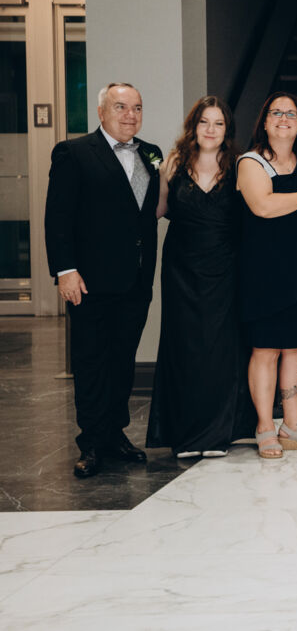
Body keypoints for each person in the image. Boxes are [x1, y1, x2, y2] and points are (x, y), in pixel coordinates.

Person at [45, 83, 162, 479]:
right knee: (92, 362)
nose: (130, 115)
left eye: (137, 108)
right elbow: (58, 216)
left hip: (136, 281)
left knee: (122, 362)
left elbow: (145, 213)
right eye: (121, 106)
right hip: (89, 282)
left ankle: (115, 434)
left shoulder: (151, 153)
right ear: (101, 112)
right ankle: (92, 442)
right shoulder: (74, 152)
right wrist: (65, 270)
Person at [146, 96, 253, 459]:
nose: (211, 129)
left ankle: (218, 432)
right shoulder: (173, 163)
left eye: (218, 123)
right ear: (193, 126)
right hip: (181, 269)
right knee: (185, 345)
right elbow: (158, 210)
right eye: (204, 122)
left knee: (221, 347)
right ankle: (186, 434)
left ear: (227, 130)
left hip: (226, 267)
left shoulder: (239, 165)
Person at [238, 93, 297, 458]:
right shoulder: (251, 161)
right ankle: (265, 427)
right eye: (276, 112)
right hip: (264, 272)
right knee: (265, 349)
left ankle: (292, 426)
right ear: (264, 122)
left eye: (291, 114)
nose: (283, 118)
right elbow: (262, 206)